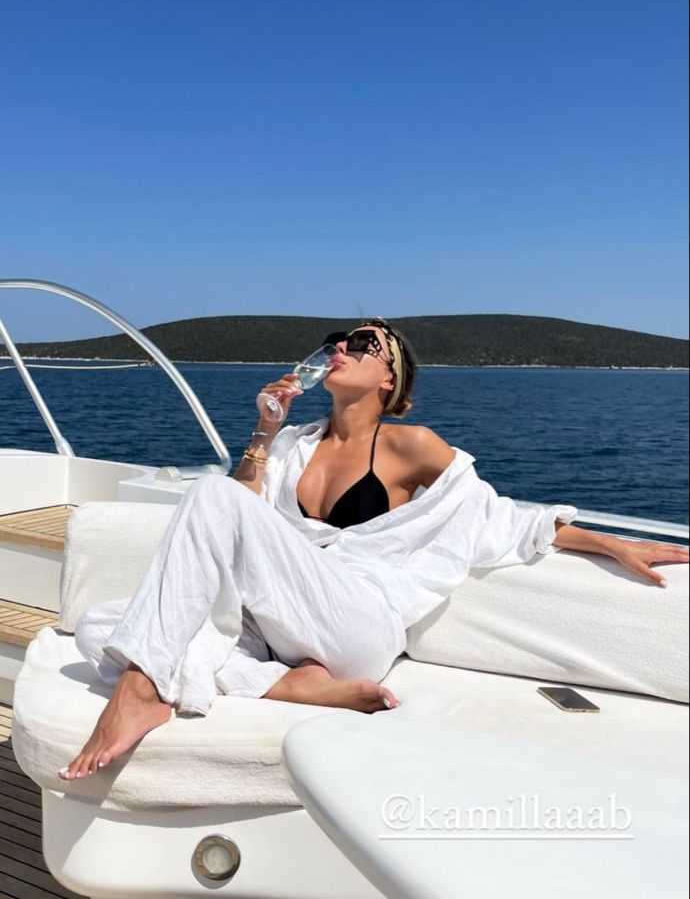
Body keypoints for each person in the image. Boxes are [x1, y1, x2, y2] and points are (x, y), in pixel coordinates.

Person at [59, 318, 689, 781]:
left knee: (199, 514)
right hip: (279, 624)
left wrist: (611, 542)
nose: (341, 348)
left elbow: (495, 517)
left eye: (363, 344)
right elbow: (241, 512)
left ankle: (144, 690)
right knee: (99, 625)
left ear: (389, 376)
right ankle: (286, 686)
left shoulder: (412, 444)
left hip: (358, 619)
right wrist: (265, 429)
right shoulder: (292, 445)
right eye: (337, 340)